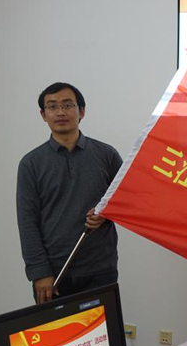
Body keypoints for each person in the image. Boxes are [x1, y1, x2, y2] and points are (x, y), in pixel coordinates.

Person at [17, 82, 122, 303]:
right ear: (43, 115)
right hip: (54, 273)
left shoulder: (107, 155)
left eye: (67, 105)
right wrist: (39, 272)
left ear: (81, 111)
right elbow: (27, 222)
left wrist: (105, 214)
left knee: (101, 326)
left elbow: (126, 202)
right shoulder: (31, 164)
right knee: (57, 327)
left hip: (100, 270)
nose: (60, 112)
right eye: (52, 106)